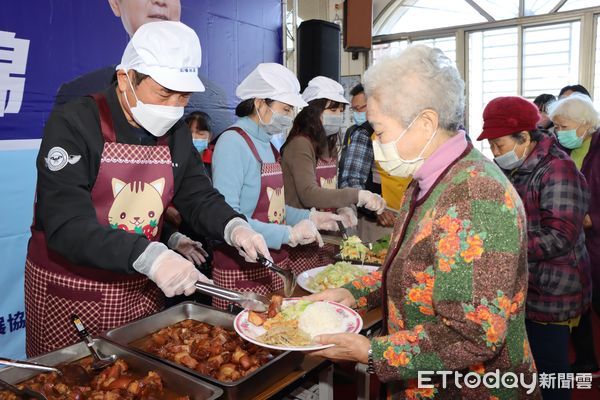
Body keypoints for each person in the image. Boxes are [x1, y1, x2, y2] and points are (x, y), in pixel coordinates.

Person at [305, 45, 539, 399]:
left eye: (380, 130)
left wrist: (371, 353)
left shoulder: (477, 197)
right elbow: (412, 271)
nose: (375, 142)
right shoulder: (429, 179)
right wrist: (351, 293)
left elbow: (474, 335)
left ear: (426, 123)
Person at [25, 21, 270, 357]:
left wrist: (234, 225)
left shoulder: (176, 132)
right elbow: (65, 223)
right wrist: (150, 256)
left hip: (137, 290)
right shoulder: (75, 121)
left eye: (182, 95)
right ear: (126, 79)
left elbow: (197, 195)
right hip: (70, 292)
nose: (173, 106)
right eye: (163, 93)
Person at [479, 96, 590, 400]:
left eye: (499, 145)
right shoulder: (524, 163)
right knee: (527, 365)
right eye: (491, 146)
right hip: (529, 282)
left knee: (550, 367)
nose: (495, 153)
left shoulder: (557, 168)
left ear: (524, 137)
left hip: (554, 288)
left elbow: (559, 236)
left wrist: (498, 244)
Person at [211, 64, 343, 309]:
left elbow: (277, 210)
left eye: (291, 110)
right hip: (241, 269)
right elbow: (228, 216)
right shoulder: (232, 142)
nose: (289, 116)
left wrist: (312, 217)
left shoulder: (269, 146)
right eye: (285, 109)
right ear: (260, 103)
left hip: (274, 262)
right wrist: (288, 234)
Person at [55, 0, 229, 134]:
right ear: (116, 4)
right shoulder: (77, 97)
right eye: (164, 93)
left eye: (184, 96)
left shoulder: (212, 100)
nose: (161, 1)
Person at [549, 93, 600, 377]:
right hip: (575, 242)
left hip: (596, 240)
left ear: (584, 124)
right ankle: (586, 360)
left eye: (564, 126)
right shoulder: (564, 150)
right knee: (579, 306)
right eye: (556, 127)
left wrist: (593, 219)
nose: (559, 133)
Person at [338, 84, 410, 242]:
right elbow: (351, 180)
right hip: (380, 222)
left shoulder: (406, 128)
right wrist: (376, 210)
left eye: (361, 108)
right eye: (355, 109)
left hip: (408, 219)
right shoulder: (364, 134)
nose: (358, 114)